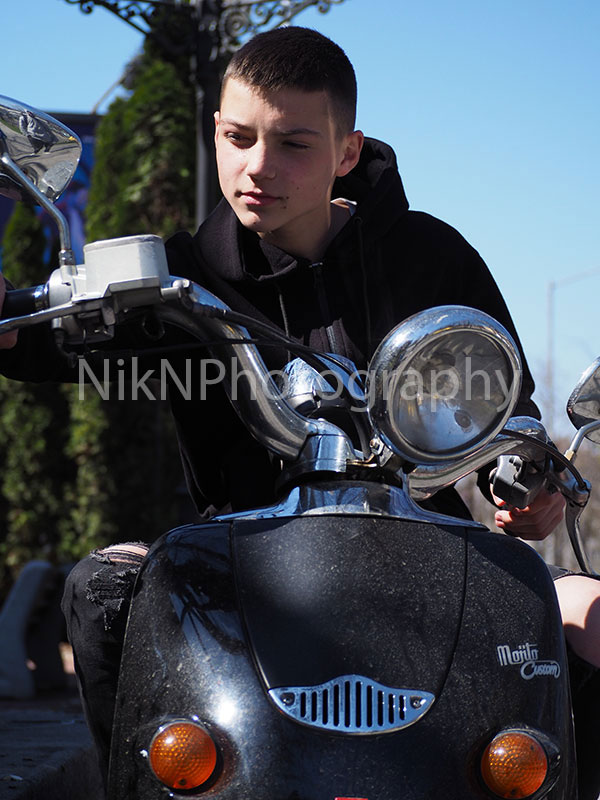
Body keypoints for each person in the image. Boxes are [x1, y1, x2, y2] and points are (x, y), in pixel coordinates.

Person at [0, 24, 597, 787]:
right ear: (216, 130)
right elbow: (39, 340)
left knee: (590, 614)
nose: (258, 166)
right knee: (102, 589)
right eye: (239, 137)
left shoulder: (429, 257)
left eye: (293, 144)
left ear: (347, 153)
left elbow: (500, 411)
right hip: (240, 563)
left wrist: (523, 485)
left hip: (433, 556)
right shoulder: (175, 278)